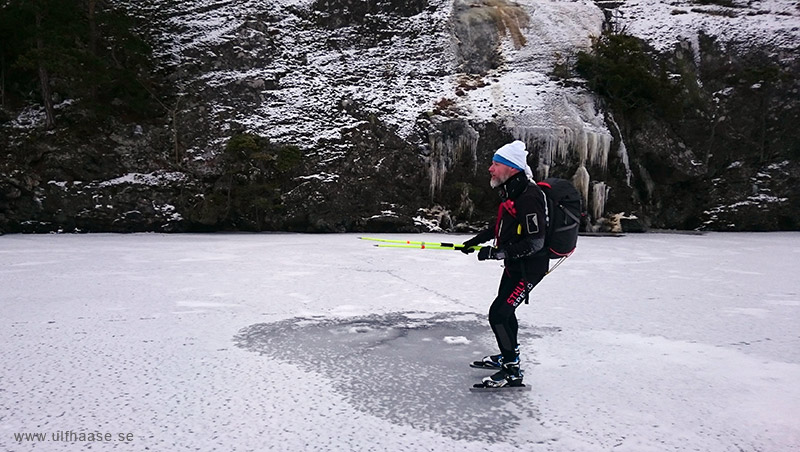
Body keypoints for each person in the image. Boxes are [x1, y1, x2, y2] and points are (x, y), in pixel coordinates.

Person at [461, 140, 549, 388]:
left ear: (511, 168)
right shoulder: (513, 190)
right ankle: (509, 355)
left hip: (530, 268)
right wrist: (476, 241)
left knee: (498, 314)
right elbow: (503, 225)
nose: (490, 169)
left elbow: (535, 242)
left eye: (496, 164)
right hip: (515, 265)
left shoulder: (529, 197)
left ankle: (512, 370)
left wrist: (495, 253)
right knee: (505, 311)